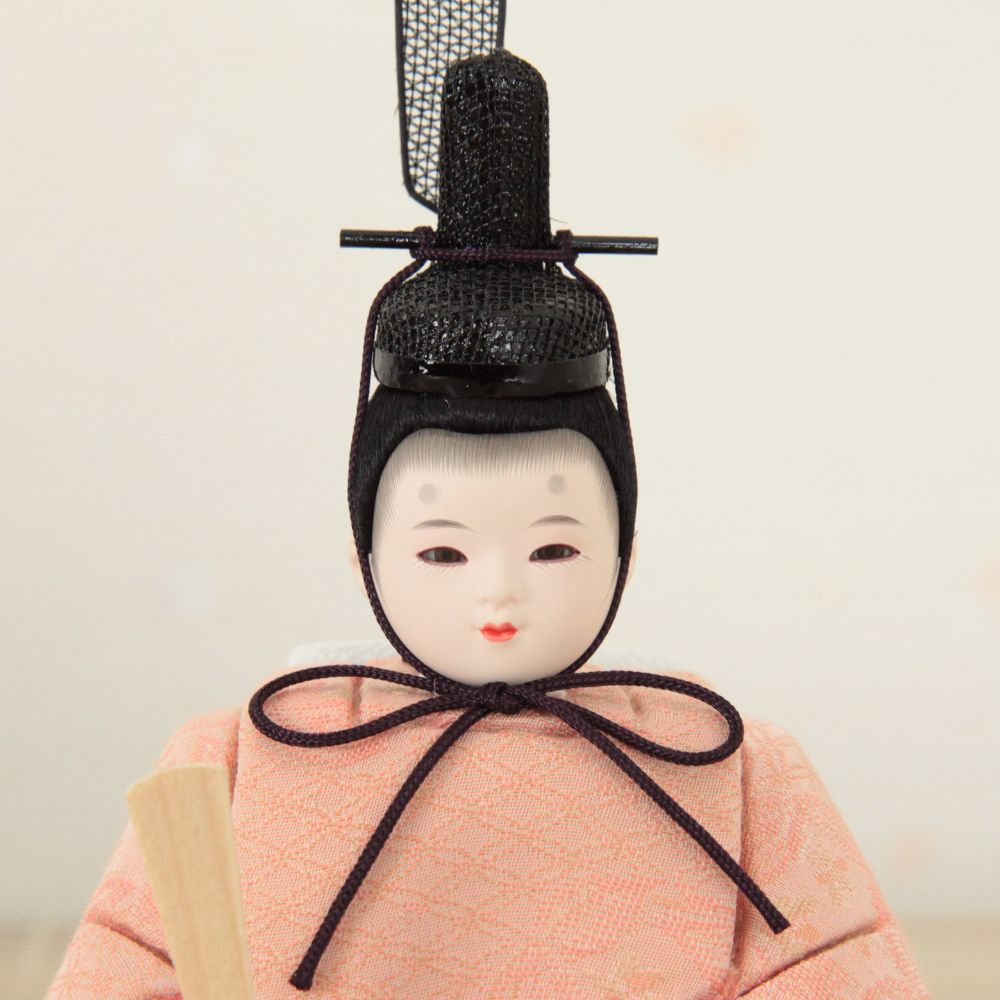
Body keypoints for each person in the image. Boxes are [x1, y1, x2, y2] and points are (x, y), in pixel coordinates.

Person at [49, 32, 929, 1000]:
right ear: (365, 554)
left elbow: (835, 966)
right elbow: (128, 962)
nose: (499, 592)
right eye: (441, 551)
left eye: (553, 547)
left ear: (624, 551)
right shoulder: (244, 757)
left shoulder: (722, 762)